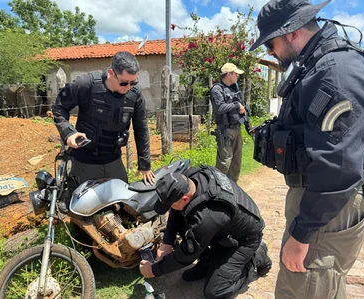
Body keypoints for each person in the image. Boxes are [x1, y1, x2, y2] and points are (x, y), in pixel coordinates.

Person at [250, 0, 364, 298]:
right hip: (322, 202)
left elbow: (338, 164)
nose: (269, 52)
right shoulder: (319, 64)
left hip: (326, 206)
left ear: (292, 33)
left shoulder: (336, 71)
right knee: (321, 286)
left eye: (271, 43)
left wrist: (303, 232)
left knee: (305, 287)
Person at [139, 166, 272, 299]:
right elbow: (176, 213)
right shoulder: (190, 179)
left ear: (185, 198)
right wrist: (167, 243)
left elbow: (187, 254)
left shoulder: (208, 217)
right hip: (223, 229)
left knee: (215, 292)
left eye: (170, 205)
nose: (169, 209)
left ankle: (255, 257)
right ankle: (207, 261)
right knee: (183, 215)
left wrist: (153, 270)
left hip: (243, 240)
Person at [52, 51, 155, 186]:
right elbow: (59, 107)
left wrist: (145, 164)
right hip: (85, 161)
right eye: (124, 83)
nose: (129, 87)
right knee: (82, 205)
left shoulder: (135, 94)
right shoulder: (86, 84)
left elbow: (141, 128)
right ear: (112, 73)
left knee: (122, 203)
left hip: (113, 161)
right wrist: (69, 133)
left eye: (133, 82)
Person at [210, 63, 246, 183]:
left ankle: (233, 190)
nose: (237, 76)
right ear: (229, 74)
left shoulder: (234, 88)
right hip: (225, 131)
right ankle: (218, 190)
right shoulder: (217, 89)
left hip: (237, 129)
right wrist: (236, 105)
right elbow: (219, 108)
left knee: (236, 163)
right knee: (224, 163)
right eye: (235, 74)